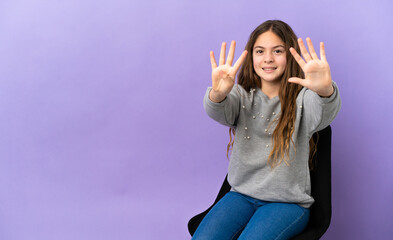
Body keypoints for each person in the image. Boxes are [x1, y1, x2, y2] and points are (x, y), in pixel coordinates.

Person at [192, 20, 341, 240]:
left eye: (277, 51)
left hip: (287, 204)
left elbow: (324, 114)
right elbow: (217, 109)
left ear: (290, 56)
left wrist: (325, 91)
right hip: (241, 196)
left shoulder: (304, 99)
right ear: (251, 56)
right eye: (260, 51)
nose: (268, 58)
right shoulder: (241, 96)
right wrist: (218, 93)